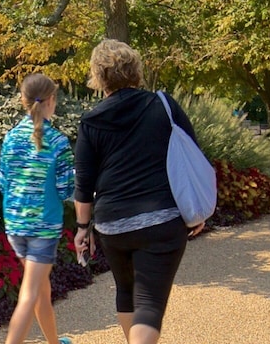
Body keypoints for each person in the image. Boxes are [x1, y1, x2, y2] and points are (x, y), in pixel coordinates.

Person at [71, 39, 200, 344]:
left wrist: (81, 228)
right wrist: (195, 208)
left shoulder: (91, 120)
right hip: (162, 218)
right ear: (135, 70)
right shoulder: (162, 105)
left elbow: (84, 183)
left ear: (99, 76)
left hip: (112, 225)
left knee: (127, 293)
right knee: (149, 304)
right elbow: (192, 153)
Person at [0, 74, 76, 344]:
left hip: (15, 225)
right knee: (30, 293)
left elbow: (3, 182)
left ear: (24, 101)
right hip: (43, 228)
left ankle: (54, 342)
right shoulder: (58, 142)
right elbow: (66, 189)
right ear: (51, 100)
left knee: (41, 289)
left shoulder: (10, 139)